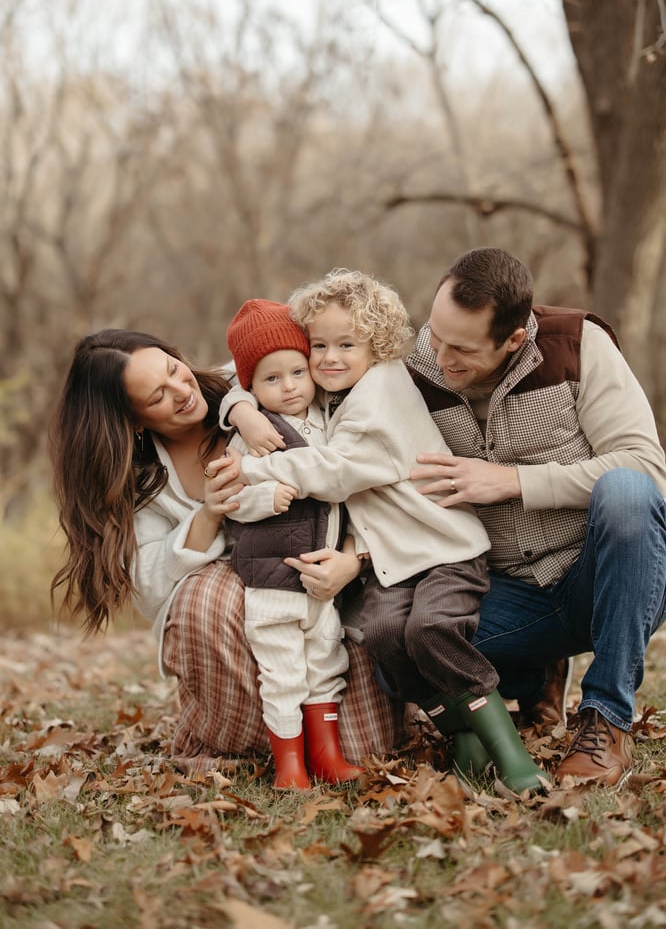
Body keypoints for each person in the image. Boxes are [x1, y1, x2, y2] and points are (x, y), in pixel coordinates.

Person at [224, 269, 549, 796]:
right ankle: (462, 741)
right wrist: (238, 407)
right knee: (383, 637)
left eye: (347, 344)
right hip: (391, 560)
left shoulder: (380, 398)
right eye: (320, 345)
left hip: (444, 550)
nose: (329, 357)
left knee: (430, 630)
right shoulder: (338, 387)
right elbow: (245, 363)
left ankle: (510, 754)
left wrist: (251, 471)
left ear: (376, 344)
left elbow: (333, 474)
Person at [48, 329, 406, 780]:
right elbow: (150, 586)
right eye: (158, 395)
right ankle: (259, 743)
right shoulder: (138, 477)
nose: (182, 391)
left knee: (366, 747)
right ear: (133, 420)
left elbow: (365, 480)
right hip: (247, 610)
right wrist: (209, 515)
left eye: (175, 370)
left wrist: (354, 559)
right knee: (209, 598)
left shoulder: (263, 385)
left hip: (327, 580)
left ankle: (317, 739)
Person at [406, 247, 666, 787]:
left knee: (625, 493)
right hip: (508, 594)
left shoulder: (577, 345)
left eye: (462, 348)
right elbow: (306, 376)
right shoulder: (416, 365)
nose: (440, 355)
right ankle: (533, 675)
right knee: (401, 644)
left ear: (514, 339)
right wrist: (235, 404)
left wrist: (516, 481)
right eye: (435, 334)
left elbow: (646, 469)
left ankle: (606, 719)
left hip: (605, 577)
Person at [224, 299, 363, 789]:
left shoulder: (330, 418)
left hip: (320, 580)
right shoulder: (252, 436)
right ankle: (290, 767)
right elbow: (231, 503)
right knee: (282, 674)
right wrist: (266, 497)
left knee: (327, 663)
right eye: (271, 379)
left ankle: (327, 756)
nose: (288, 387)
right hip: (272, 581)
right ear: (250, 388)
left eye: (296, 373)